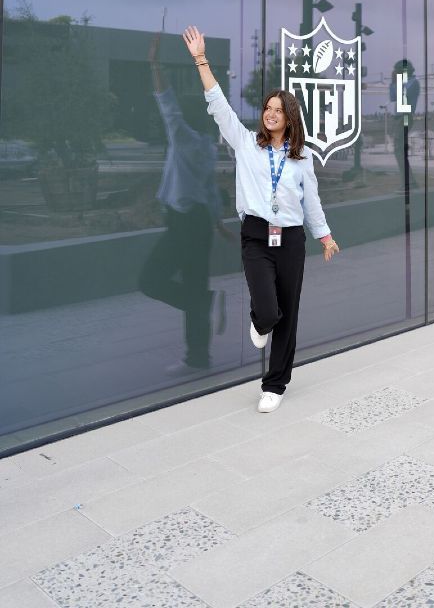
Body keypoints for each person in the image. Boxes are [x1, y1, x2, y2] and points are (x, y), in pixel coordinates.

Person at [182, 25, 340, 413]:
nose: (270, 114)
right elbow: (218, 104)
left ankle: (275, 384)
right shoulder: (245, 145)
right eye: (267, 109)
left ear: (290, 118)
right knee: (269, 310)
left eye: (278, 110)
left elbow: (311, 203)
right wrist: (201, 60)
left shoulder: (301, 160)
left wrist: (325, 236)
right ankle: (260, 320)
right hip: (255, 235)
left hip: (291, 240)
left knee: (290, 311)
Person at [139, 35, 228, 376]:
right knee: (193, 283)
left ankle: (205, 303)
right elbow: (209, 189)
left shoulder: (182, 136)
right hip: (201, 223)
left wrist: (154, 63)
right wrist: (218, 223)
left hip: (184, 223)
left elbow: (166, 102)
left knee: (150, 280)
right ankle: (198, 358)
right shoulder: (206, 146)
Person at [389, 59, 420, 189]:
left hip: (405, 117)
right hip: (399, 118)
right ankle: (410, 182)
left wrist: (396, 83)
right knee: (399, 151)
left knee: (399, 151)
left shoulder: (413, 83)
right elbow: (392, 97)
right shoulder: (402, 83)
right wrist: (393, 83)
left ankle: (408, 182)